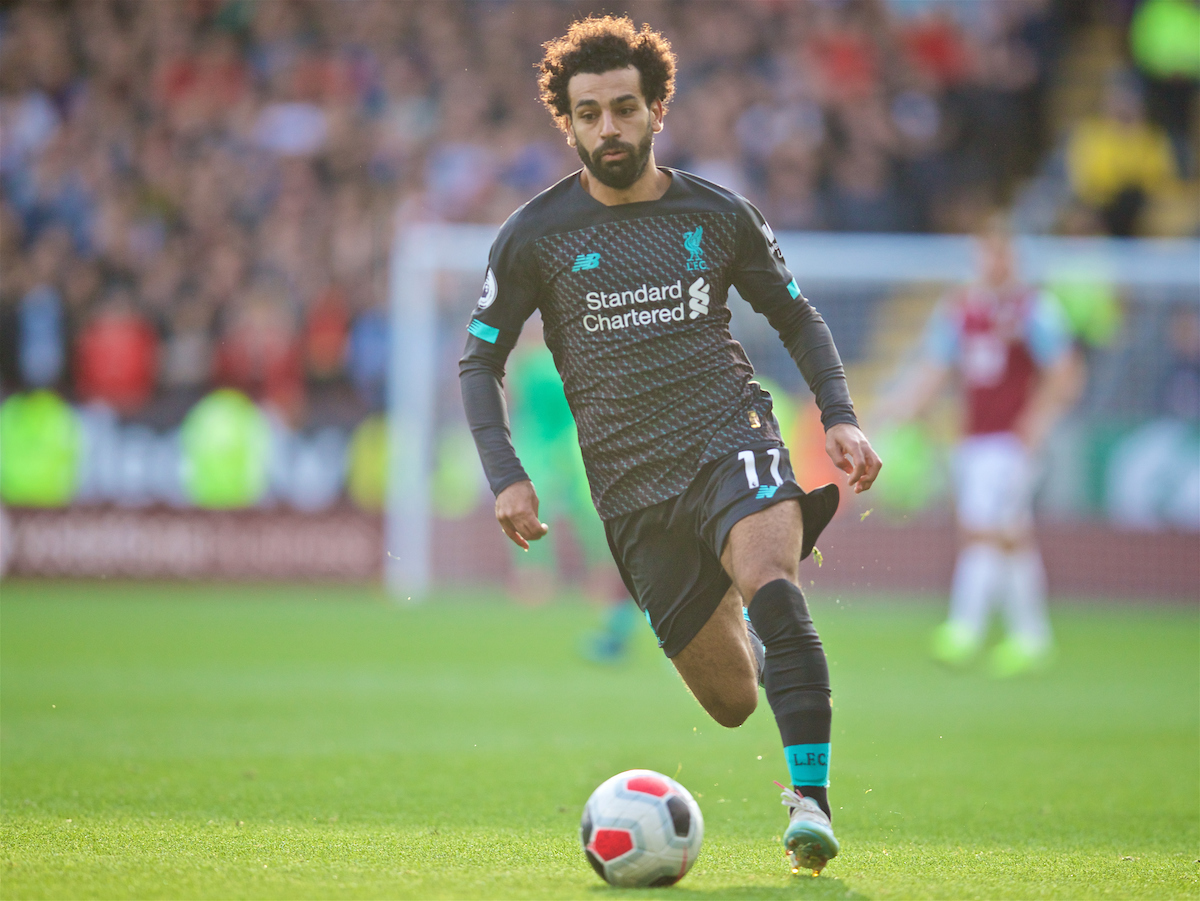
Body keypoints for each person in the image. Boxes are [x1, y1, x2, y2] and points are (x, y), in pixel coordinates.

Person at [459, 17, 881, 876]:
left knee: (770, 573)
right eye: (590, 114)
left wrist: (838, 412)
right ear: (567, 124)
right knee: (731, 700)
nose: (608, 128)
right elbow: (480, 358)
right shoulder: (534, 235)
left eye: (624, 108)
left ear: (656, 109)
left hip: (729, 433)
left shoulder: (717, 213)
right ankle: (763, 623)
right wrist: (506, 474)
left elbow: (795, 313)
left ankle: (812, 802)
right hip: (631, 488)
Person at [886, 219, 1077, 677]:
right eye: (986, 254)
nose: (993, 263)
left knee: (980, 528)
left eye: (1001, 254)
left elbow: (1066, 373)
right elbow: (936, 366)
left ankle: (964, 629)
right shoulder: (961, 310)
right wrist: (904, 407)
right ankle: (1032, 637)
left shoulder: (1035, 310)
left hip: (1012, 442)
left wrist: (1037, 422)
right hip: (973, 440)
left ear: (1014, 258)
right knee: (1010, 534)